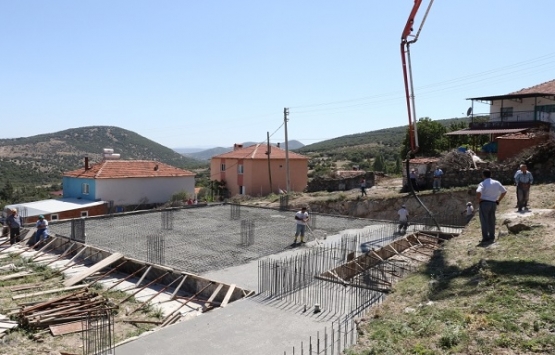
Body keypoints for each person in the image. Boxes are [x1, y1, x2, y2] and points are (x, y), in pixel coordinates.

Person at [476, 169, 507, 245]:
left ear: (483, 175)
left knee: (484, 221)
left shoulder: (482, 183)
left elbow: (478, 191)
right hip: (493, 203)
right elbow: (504, 191)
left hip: (484, 203)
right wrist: (498, 200)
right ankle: (492, 236)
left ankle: (485, 237)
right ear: (491, 174)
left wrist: (479, 200)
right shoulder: (496, 182)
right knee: (492, 220)